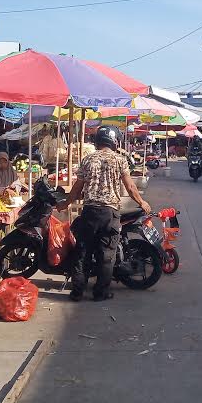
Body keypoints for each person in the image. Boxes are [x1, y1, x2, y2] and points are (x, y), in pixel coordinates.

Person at [57, 125, 150, 302]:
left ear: (98, 140)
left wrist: (65, 204)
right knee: (106, 256)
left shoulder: (87, 159)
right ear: (114, 141)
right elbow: (130, 187)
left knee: (83, 253)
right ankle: (100, 293)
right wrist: (142, 202)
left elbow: (77, 187)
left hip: (90, 212)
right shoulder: (120, 160)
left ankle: (77, 292)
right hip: (109, 214)